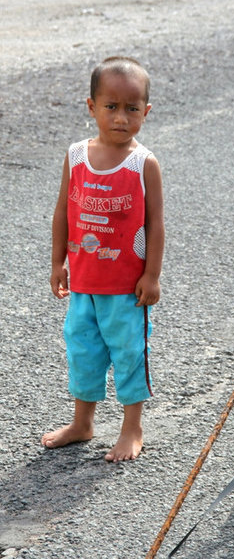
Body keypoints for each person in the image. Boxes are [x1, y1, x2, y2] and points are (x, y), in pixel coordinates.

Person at [41, 56, 164, 462]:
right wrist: (59, 262)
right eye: (110, 107)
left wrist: (152, 275)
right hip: (83, 283)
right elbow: (63, 211)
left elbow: (156, 224)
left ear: (145, 112)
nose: (120, 117)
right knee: (83, 350)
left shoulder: (143, 163)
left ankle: (132, 428)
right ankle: (83, 422)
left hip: (126, 289)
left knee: (128, 353)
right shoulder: (76, 155)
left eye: (132, 109)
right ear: (91, 107)